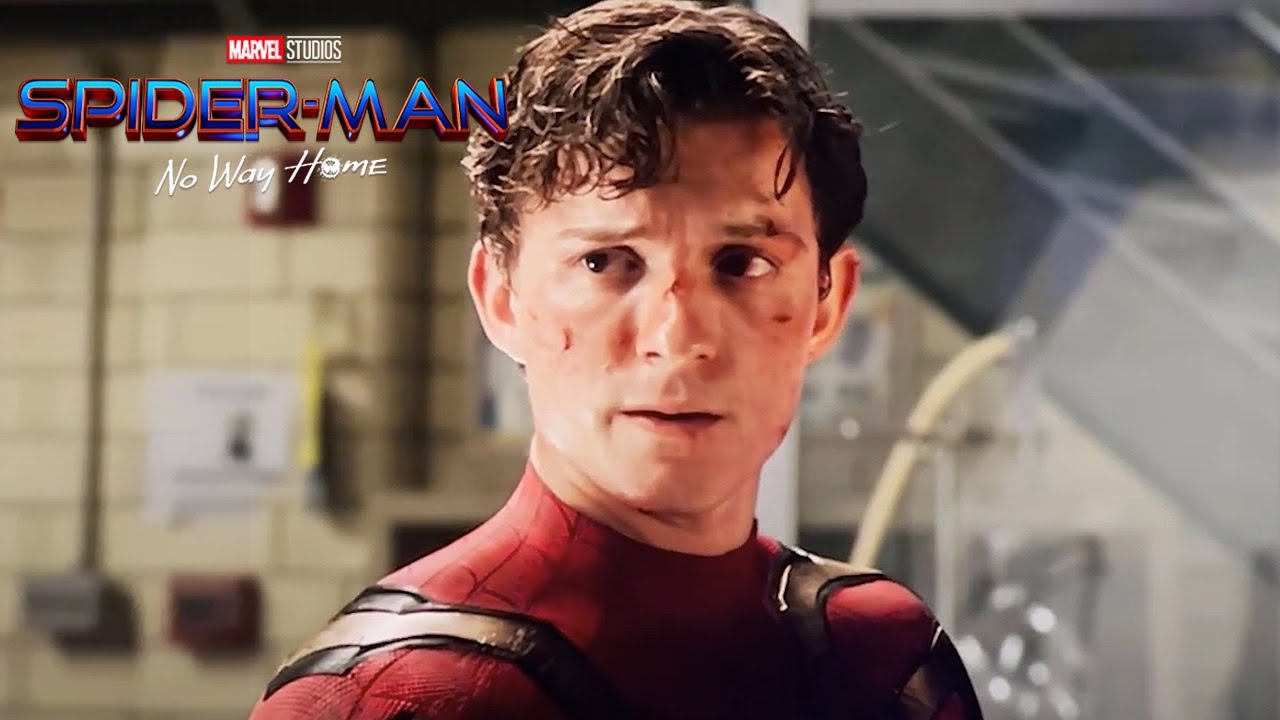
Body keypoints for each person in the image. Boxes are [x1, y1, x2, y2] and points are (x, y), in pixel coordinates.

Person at [248, 1, 985, 718]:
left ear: (827, 303)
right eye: (605, 262)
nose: (678, 335)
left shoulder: (885, 659)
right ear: (502, 299)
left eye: (741, 262)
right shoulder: (384, 697)